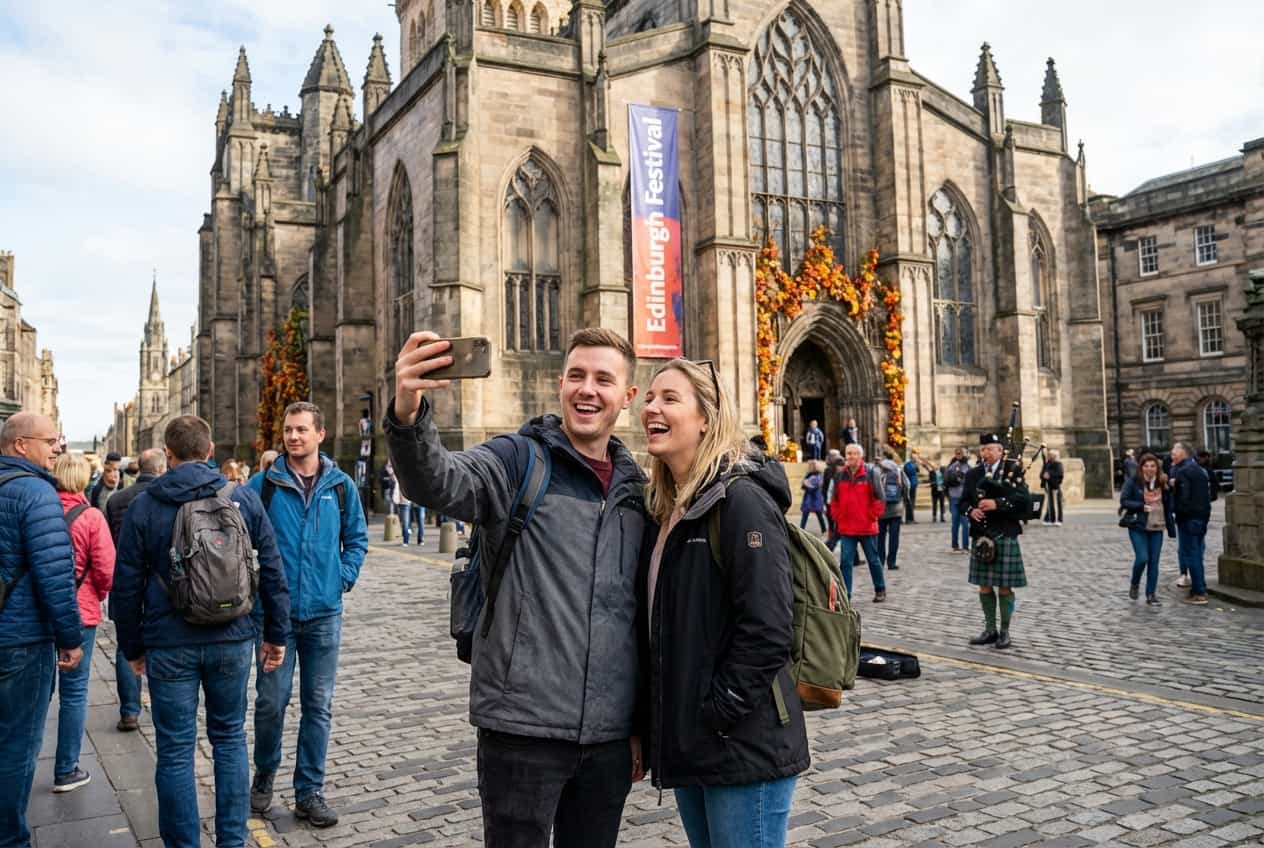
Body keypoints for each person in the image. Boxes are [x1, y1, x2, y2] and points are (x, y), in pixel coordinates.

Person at [386, 327, 647, 848]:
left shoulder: (637, 489)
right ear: (560, 384)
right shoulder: (517, 459)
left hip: (608, 739)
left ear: (627, 397)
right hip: (522, 732)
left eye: (603, 379)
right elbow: (437, 481)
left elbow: (637, 618)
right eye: (577, 375)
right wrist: (408, 410)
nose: (587, 389)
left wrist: (638, 725)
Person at [640, 358, 808, 848]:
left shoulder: (740, 501)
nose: (652, 407)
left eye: (670, 399)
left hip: (741, 741)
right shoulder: (667, 507)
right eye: (650, 397)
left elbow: (769, 626)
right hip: (695, 739)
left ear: (707, 418)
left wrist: (720, 709)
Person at [112, 415, 290, 848]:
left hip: (169, 643)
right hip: (232, 638)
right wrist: (276, 634)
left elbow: (126, 587)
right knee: (229, 739)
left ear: (168, 455)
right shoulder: (242, 498)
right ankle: (232, 840)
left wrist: (132, 647)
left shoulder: (145, 504)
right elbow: (271, 569)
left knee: (174, 750)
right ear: (210, 452)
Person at [248, 402, 368, 827]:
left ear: (320, 434)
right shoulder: (263, 485)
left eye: (301, 430)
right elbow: (245, 548)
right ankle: (264, 774)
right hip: (274, 620)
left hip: (323, 615)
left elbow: (356, 538)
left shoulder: (341, 487)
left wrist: (342, 578)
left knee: (318, 706)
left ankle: (308, 791)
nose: (293, 437)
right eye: (288, 430)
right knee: (270, 703)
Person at [0, 412, 83, 846]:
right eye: (51, 441)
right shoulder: (37, 493)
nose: (58, 448)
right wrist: (69, 639)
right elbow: (55, 576)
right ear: (20, 445)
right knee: (16, 746)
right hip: (22, 641)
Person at [50, 453, 115, 792]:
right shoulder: (91, 517)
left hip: (38, 612)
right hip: (80, 612)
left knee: (34, 695)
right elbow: (106, 569)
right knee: (74, 693)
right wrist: (97, 593)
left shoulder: (42, 509)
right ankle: (65, 769)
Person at [104, 447, 166, 732]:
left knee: (124, 647)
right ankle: (163, 706)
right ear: (161, 469)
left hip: (124, 578)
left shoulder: (117, 500)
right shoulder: (164, 498)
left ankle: (129, 710)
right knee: (162, 645)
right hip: (158, 582)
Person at [962, 433, 1032, 649]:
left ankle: (1005, 631)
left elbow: (1024, 499)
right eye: (983, 449)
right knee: (984, 586)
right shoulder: (974, 474)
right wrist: (970, 511)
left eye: (990, 449)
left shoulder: (1012, 471)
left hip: (1004, 533)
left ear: (1000, 451)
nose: (986, 453)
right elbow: (963, 499)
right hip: (982, 536)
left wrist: (997, 503)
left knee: (1004, 587)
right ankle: (989, 629)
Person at [828, 444, 886, 602]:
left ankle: (880, 589)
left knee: (873, 561)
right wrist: (837, 516)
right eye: (848, 453)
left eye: (854, 454)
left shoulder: (871, 473)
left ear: (861, 456)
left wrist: (871, 516)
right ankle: (846, 595)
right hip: (847, 528)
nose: (850, 456)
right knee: (845, 563)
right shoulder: (840, 476)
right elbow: (834, 500)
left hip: (867, 527)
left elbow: (880, 499)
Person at [1120, 452, 1174, 606]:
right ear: (1141, 467)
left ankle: (1151, 594)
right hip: (1138, 525)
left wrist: (1169, 488)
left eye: (1153, 466)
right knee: (1142, 558)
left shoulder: (1162, 483)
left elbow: (1169, 503)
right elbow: (1124, 501)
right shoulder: (1134, 482)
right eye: (1146, 466)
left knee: (1154, 562)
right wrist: (1141, 506)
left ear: (1157, 468)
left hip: (1157, 525)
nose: (1150, 469)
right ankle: (1135, 583)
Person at [1170, 442, 1211, 605]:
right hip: (1202, 518)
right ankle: (1199, 587)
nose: (1171, 455)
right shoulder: (1200, 470)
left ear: (1183, 453)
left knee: (1192, 554)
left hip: (1189, 519)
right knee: (1197, 554)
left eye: (1174, 451)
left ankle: (1199, 593)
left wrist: (1177, 514)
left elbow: (1184, 498)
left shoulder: (1183, 471)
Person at [876, 450, 907, 573]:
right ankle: (892, 562)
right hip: (896, 510)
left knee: (880, 537)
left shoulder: (878, 471)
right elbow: (907, 485)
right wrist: (904, 499)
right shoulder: (898, 470)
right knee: (894, 537)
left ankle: (880, 561)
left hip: (881, 510)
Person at [945, 447, 971, 552]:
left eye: (960, 453)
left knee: (964, 523)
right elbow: (947, 481)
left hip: (962, 499)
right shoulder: (953, 467)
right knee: (956, 522)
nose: (959, 455)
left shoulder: (967, 467)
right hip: (955, 498)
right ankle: (955, 545)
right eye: (957, 453)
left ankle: (964, 545)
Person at [799, 461, 826, 533]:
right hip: (808, 497)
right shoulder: (808, 475)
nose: (810, 467)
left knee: (819, 514)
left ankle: (824, 529)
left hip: (815, 497)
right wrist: (805, 484)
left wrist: (807, 484)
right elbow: (803, 485)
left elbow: (816, 485)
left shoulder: (819, 475)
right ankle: (801, 529)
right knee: (805, 514)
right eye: (810, 466)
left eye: (812, 466)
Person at [1041, 449, 1065, 526]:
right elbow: (1042, 473)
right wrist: (1043, 476)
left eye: (1050, 455)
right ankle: (1050, 519)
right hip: (1048, 486)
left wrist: (1049, 475)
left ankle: (1059, 519)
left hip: (1055, 486)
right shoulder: (1047, 464)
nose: (1049, 456)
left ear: (1054, 456)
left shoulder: (1058, 464)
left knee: (1057, 503)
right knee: (1050, 503)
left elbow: (1059, 474)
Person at [902, 451, 921, 523]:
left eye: (916, 458)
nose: (915, 459)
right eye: (914, 458)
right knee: (909, 502)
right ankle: (908, 519)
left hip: (914, 485)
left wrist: (917, 465)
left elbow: (918, 471)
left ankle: (911, 518)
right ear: (911, 458)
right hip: (909, 485)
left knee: (912, 502)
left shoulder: (913, 464)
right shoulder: (908, 465)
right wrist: (915, 466)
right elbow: (908, 472)